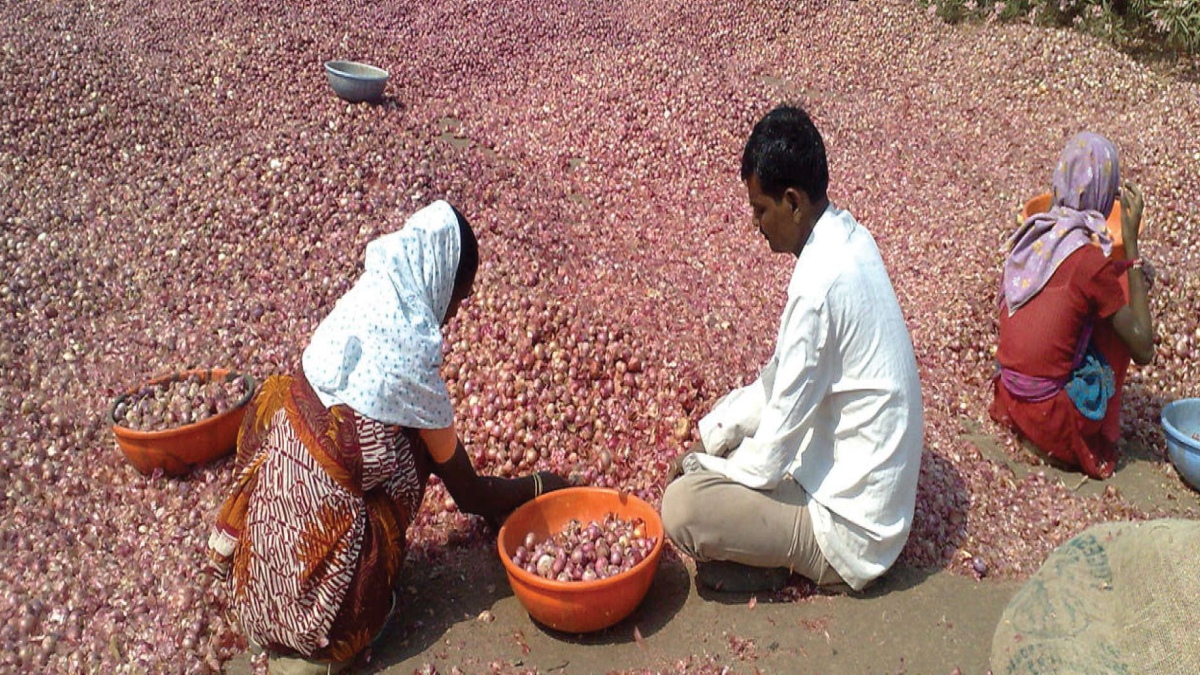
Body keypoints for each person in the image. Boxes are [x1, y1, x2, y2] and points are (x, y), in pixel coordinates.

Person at [207, 200, 568, 674]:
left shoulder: (364, 303)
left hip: (257, 581)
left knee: (384, 436)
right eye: (459, 296)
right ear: (439, 279)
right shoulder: (410, 359)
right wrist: (544, 486)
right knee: (416, 446)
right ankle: (354, 604)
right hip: (318, 619)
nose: (455, 312)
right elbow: (468, 492)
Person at [660, 105, 924, 594]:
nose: (756, 224)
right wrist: (713, 435)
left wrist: (703, 464)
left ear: (793, 201)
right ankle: (765, 548)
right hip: (872, 497)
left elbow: (768, 458)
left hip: (852, 532)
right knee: (732, 432)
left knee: (682, 506)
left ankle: (800, 565)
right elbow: (780, 378)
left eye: (761, 210)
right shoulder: (849, 237)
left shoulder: (818, 287)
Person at [990, 132, 1155, 480]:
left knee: (1090, 299)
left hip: (1008, 395)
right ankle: (1100, 433)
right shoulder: (1088, 261)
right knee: (1121, 290)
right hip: (1051, 420)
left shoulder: (1032, 233)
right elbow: (1143, 349)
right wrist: (1134, 247)